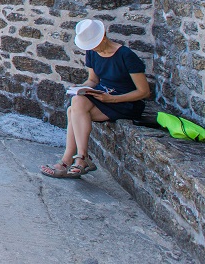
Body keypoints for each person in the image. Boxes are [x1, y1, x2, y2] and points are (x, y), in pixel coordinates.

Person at [41, 19, 150, 178]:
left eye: (94, 44)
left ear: (104, 36)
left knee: (74, 110)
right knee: (76, 104)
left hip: (124, 102)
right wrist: (81, 88)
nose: (92, 48)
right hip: (102, 96)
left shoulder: (126, 55)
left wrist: (112, 99)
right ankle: (80, 159)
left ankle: (70, 161)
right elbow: (93, 80)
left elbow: (144, 92)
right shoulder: (92, 52)